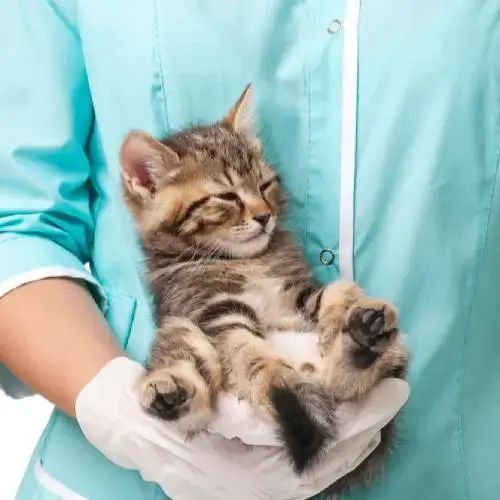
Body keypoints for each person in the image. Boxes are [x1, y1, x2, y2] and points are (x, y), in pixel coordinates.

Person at [0, 1, 499, 499]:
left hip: (442, 472)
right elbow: (16, 228)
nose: (261, 213)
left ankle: (356, 352)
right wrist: (118, 417)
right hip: (123, 482)